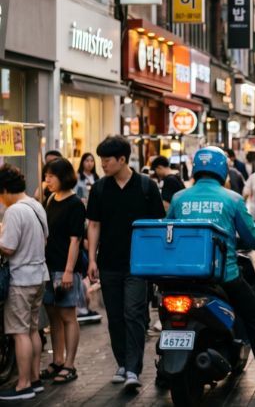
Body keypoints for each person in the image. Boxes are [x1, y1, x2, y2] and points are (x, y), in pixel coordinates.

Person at [166, 146, 255, 389]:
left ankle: (163, 372)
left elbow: (168, 231)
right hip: (223, 275)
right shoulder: (231, 199)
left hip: (182, 276)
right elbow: (251, 235)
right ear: (223, 170)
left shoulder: (179, 198)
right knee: (254, 315)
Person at [86, 135, 165, 390]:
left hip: (138, 264)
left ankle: (133, 368)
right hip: (108, 262)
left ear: (122, 159)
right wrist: (92, 259)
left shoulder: (146, 186)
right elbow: (94, 225)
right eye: (101, 160)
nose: (103, 165)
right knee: (115, 316)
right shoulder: (99, 188)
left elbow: (158, 225)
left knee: (134, 314)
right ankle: (122, 363)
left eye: (107, 160)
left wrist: (155, 261)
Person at [0, 164, 49, 400]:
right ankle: (35, 379)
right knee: (32, 330)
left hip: (21, 279)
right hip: (39, 275)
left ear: (5, 190)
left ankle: (23, 385)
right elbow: (45, 238)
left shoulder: (14, 211)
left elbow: (8, 248)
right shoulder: (36, 205)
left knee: (19, 332)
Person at [41, 158, 86, 385]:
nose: (47, 180)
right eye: (46, 176)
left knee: (68, 316)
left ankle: (70, 364)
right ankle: (57, 360)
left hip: (65, 268)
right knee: (53, 316)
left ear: (64, 177)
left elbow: (75, 240)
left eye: (51, 176)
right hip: (48, 267)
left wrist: (68, 271)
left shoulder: (75, 204)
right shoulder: (50, 199)